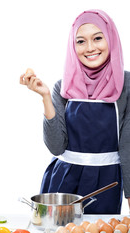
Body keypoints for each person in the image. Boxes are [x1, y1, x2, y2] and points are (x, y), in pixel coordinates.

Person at [20, 9, 130, 214]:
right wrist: (45, 97)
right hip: (62, 183)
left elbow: (128, 146)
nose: (90, 48)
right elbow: (56, 147)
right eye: (80, 41)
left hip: (106, 183)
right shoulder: (62, 87)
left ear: (111, 39)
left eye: (98, 38)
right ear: (73, 45)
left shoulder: (126, 85)